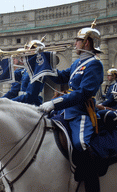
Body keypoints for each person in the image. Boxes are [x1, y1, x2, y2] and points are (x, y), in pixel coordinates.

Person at [39, 20, 103, 192]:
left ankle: (92, 186)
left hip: (81, 114)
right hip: (67, 112)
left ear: (86, 43)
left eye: (77, 40)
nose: (75, 43)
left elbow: (83, 93)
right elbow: (60, 77)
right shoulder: (76, 64)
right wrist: (42, 60)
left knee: (80, 144)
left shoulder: (95, 64)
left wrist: (54, 103)